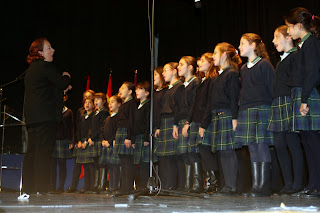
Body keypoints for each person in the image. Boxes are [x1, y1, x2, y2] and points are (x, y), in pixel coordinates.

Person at [21, 38, 71, 198]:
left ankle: (28, 187)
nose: (53, 50)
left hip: (33, 117)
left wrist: (59, 89)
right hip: (45, 117)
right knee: (43, 152)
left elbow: (47, 90)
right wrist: (66, 77)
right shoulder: (45, 66)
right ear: (40, 52)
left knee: (32, 152)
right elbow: (61, 83)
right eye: (49, 48)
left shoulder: (31, 70)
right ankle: (42, 187)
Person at [284, 7, 320, 198]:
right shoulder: (303, 45)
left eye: (289, 27)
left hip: (307, 95)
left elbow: (313, 73)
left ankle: (317, 184)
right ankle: (313, 183)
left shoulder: (312, 43)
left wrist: (304, 99)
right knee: (306, 141)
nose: (288, 31)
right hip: (300, 94)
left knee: (313, 142)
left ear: (299, 26)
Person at [235, 33, 274, 197]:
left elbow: (272, 88)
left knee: (261, 146)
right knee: (252, 148)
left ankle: (264, 187)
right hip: (247, 110)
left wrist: (273, 111)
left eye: (243, 43)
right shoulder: (243, 69)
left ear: (253, 45)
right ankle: (256, 186)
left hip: (262, 108)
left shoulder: (264, 65)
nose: (239, 47)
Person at [200, 43, 242, 195]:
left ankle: (231, 186)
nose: (213, 57)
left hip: (227, 115)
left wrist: (234, 118)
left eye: (215, 53)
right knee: (222, 152)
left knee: (228, 151)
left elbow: (233, 97)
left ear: (224, 54)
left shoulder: (231, 73)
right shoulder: (219, 75)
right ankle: (226, 185)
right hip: (217, 116)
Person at [268, 25, 304, 195]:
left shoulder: (296, 56)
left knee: (292, 143)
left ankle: (297, 183)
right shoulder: (281, 60)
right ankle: (287, 183)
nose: (274, 41)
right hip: (277, 103)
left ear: (289, 37)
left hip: (289, 101)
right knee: (279, 145)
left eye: (276, 37)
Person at [186, 53, 220, 193]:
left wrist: (203, 124)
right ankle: (203, 182)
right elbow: (195, 104)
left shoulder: (212, 80)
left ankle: (213, 182)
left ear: (210, 63)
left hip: (205, 120)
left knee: (206, 151)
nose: (199, 62)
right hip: (197, 120)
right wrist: (189, 121)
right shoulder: (202, 81)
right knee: (198, 151)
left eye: (202, 60)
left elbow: (209, 104)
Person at [155, 62, 184, 189]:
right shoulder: (167, 89)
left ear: (174, 71)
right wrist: (158, 126)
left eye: (166, 70)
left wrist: (175, 124)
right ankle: (166, 185)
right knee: (164, 156)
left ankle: (174, 185)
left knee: (173, 156)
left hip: (173, 120)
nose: (163, 74)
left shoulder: (180, 87)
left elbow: (178, 107)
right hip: (164, 121)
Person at [176, 56, 202, 193]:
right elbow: (178, 107)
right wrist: (176, 125)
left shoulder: (196, 82)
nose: (178, 67)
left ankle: (197, 184)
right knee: (184, 153)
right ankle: (187, 184)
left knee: (192, 151)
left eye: (181, 64)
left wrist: (188, 123)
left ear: (190, 67)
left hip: (191, 121)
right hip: (182, 121)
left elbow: (194, 105)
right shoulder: (182, 86)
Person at [113, 82, 136, 193]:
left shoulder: (132, 103)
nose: (120, 90)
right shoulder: (123, 104)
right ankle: (123, 187)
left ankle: (128, 187)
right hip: (120, 132)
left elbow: (131, 121)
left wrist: (129, 136)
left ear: (130, 91)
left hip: (126, 133)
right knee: (122, 160)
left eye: (123, 88)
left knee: (127, 161)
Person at [50, 94, 74, 194]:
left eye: (62, 97)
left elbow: (72, 127)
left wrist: (72, 140)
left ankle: (60, 187)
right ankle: (52, 187)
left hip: (64, 140)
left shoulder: (68, 112)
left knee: (62, 165)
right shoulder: (52, 110)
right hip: (53, 140)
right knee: (52, 165)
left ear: (65, 98)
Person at [100, 95, 122, 194]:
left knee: (115, 166)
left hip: (113, 144)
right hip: (107, 145)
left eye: (113, 102)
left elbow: (117, 131)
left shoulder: (119, 118)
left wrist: (110, 141)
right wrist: (103, 140)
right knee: (110, 165)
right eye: (109, 103)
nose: (110, 104)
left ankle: (116, 186)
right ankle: (111, 186)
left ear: (119, 104)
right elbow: (102, 130)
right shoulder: (107, 118)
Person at [88, 93, 109, 193]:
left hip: (99, 140)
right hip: (93, 141)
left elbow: (101, 127)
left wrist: (93, 137)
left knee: (101, 163)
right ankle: (95, 185)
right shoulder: (95, 113)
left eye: (98, 99)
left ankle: (101, 185)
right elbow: (91, 127)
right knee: (96, 163)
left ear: (104, 101)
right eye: (95, 100)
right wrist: (89, 137)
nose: (96, 102)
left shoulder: (104, 113)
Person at [133, 81, 151, 189]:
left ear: (147, 93)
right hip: (137, 138)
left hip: (143, 137)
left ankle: (145, 186)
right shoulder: (138, 106)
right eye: (136, 89)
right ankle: (139, 186)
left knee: (144, 163)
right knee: (137, 163)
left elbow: (148, 122)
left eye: (140, 89)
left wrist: (146, 137)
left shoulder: (147, 105)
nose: (137, 91)